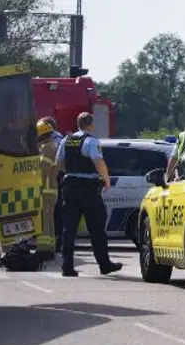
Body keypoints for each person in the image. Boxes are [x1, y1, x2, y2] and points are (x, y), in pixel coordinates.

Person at [54, 112, 123, 278]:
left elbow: (59, 162)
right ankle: (104, 265)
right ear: (91, 125)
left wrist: (70, 172)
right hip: (88, 189)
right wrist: (106, 179)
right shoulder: (91, 141)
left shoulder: (66, 140)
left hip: (70, 187)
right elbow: (98, 161)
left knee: (68, 229)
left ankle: (67, 267)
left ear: (78, 124)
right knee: (96, 228)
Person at [37, 117, 66, 255]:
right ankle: (49, 247)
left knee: (44, 220)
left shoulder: (47, 147)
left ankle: (44, 250)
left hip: (46, 190)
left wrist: (36, 185)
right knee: (49, 220)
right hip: (52, 189)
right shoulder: (53, 145)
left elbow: (43, 170)